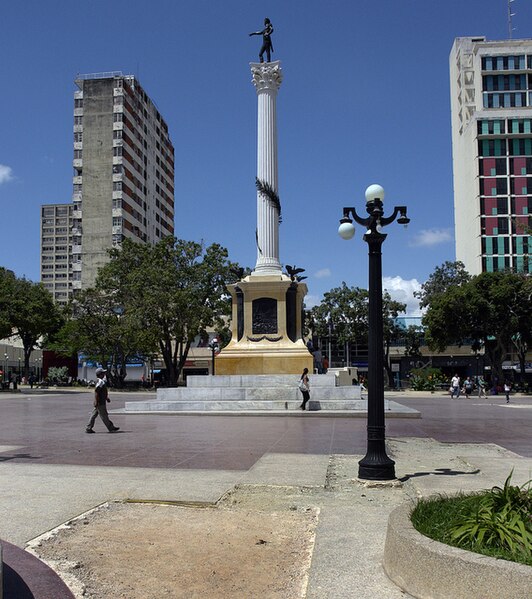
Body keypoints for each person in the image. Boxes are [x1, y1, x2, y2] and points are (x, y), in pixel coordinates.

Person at [86, 368, 120, 433]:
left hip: (99, 401)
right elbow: (96, 391)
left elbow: (101, 392)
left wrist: (106, 398)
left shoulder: (100, 381)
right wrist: (96, 401)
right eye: (103, 373)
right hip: (100, 402)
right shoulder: (100, 382)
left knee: (93, 415)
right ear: (100, 374)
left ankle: (89, 428)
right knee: (104, 415)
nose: (104, 374)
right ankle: (111, 428)